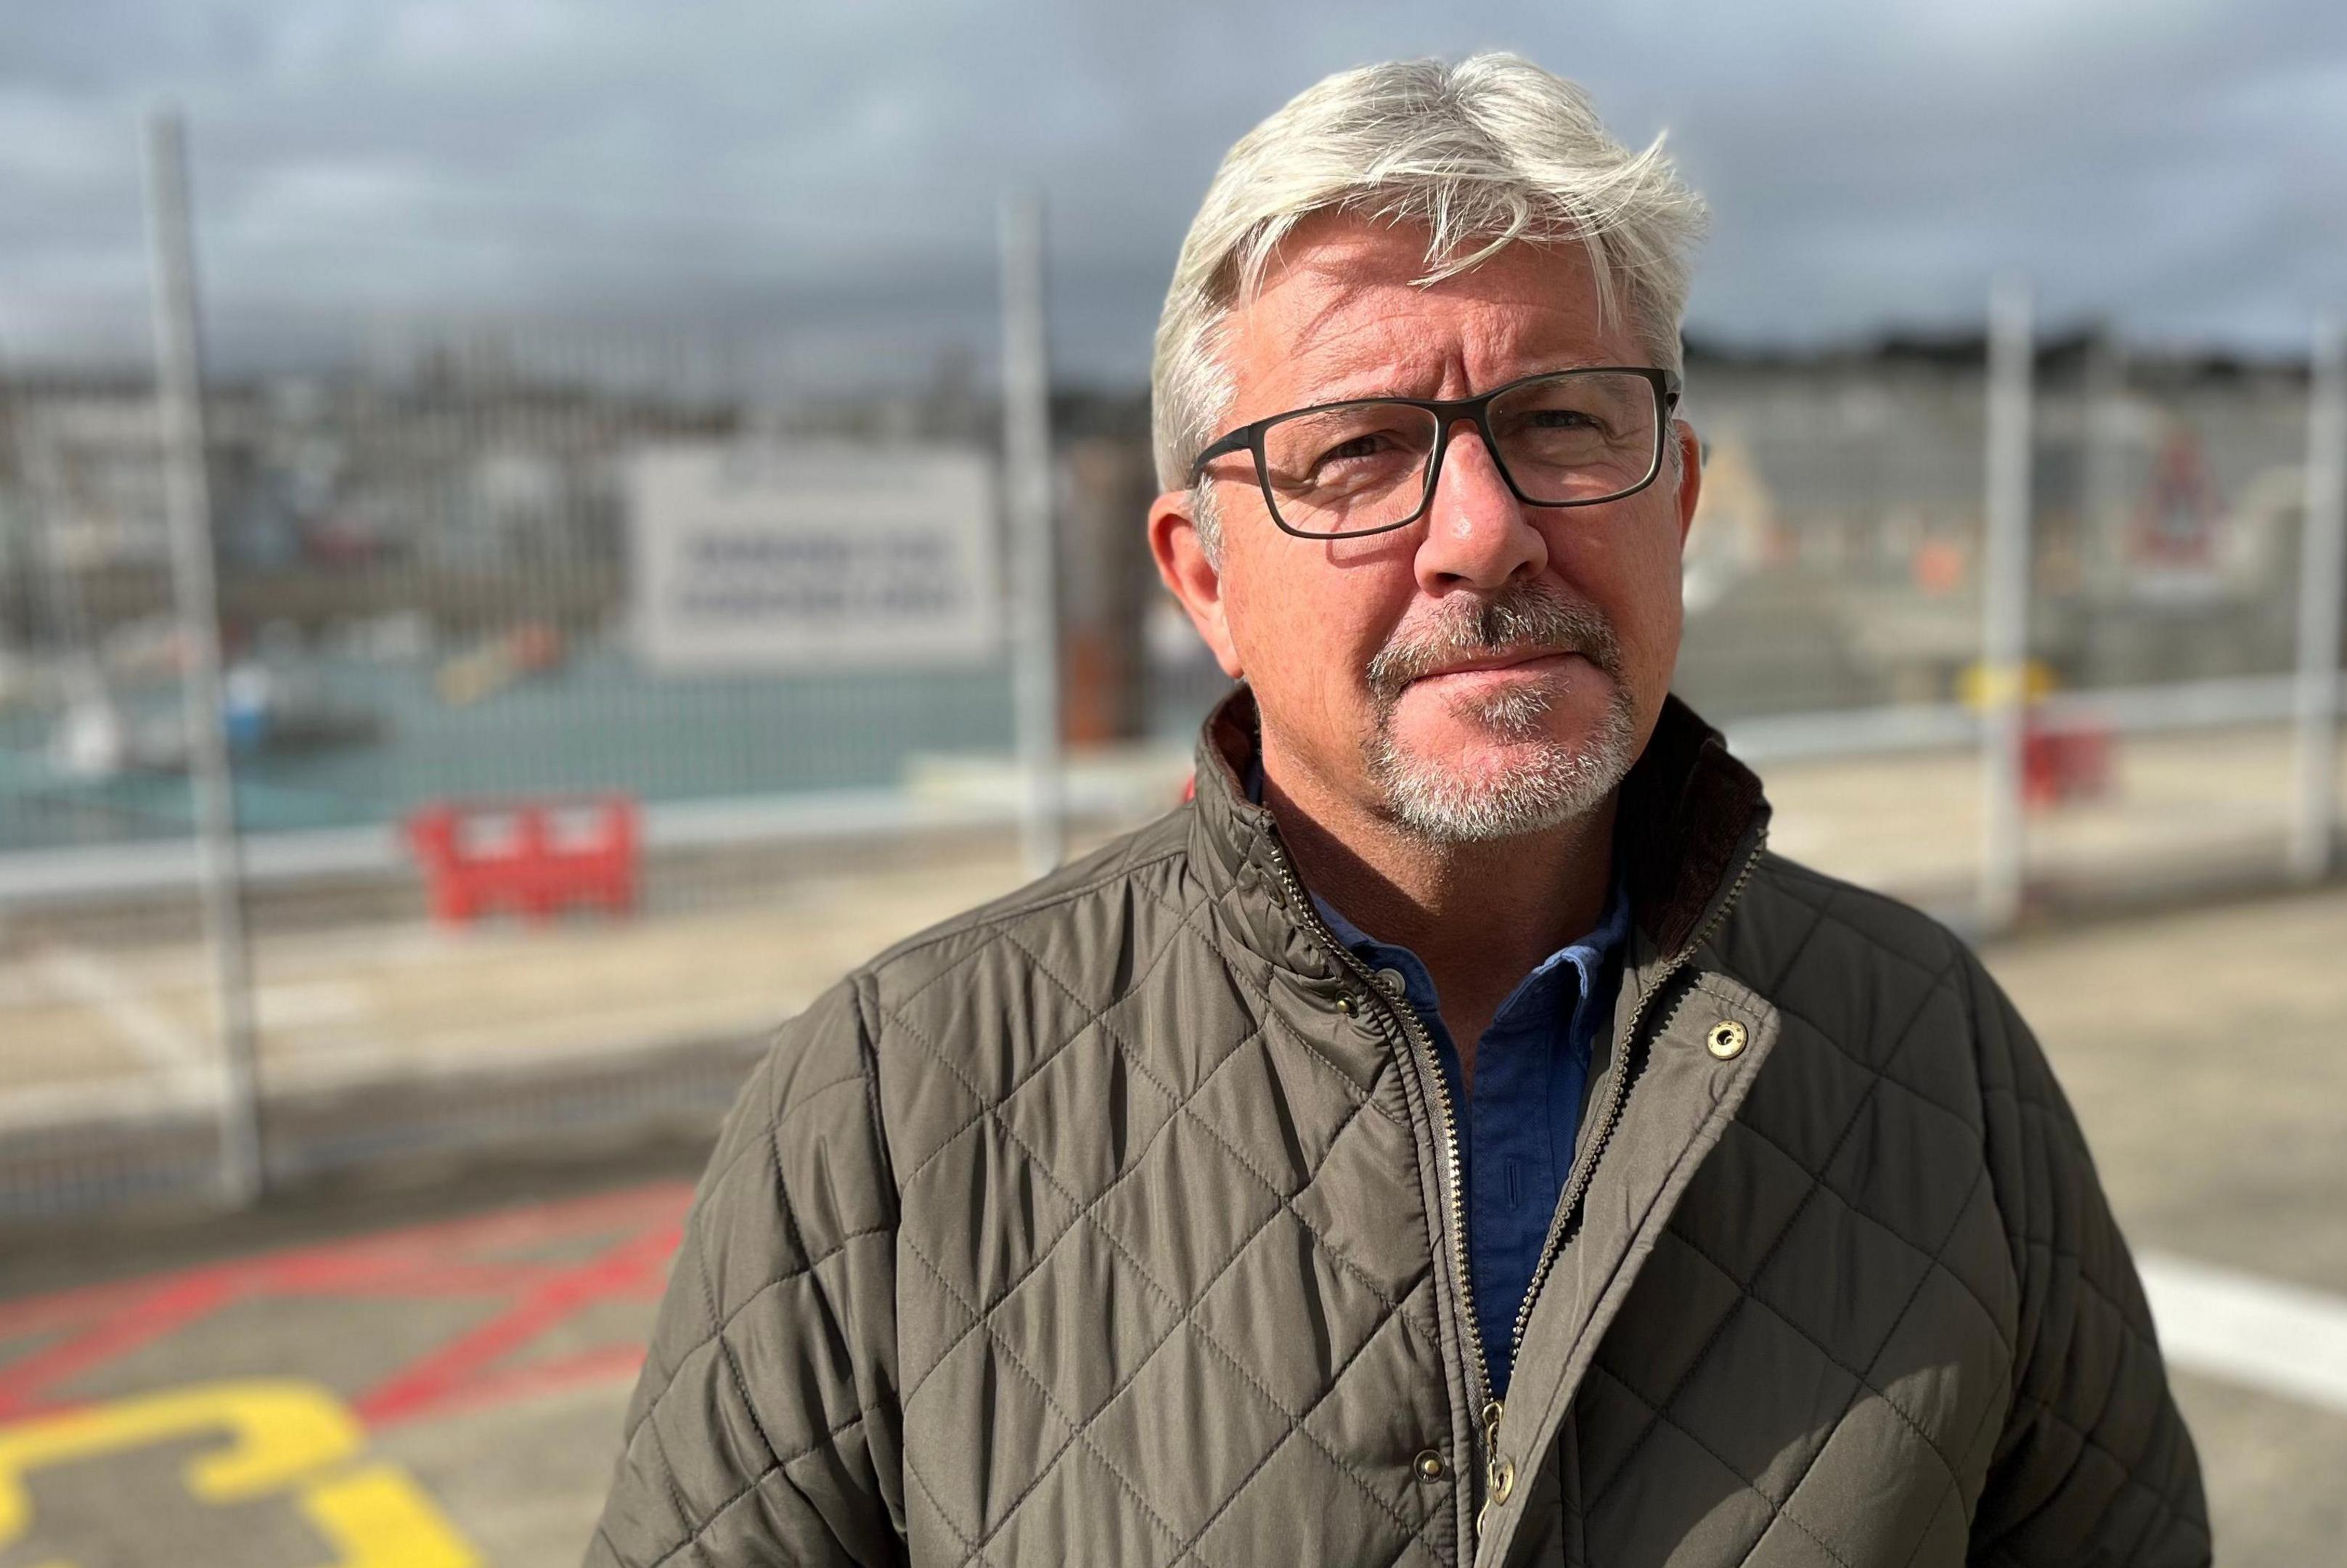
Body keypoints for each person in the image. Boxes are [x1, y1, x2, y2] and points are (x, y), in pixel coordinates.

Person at [589, 52, 2208, 1568]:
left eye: (1566, 422)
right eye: (1358, 452)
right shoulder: (885, 1102)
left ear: (1683, 501)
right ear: (1204, 576)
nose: (1486, 531)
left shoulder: (1932, 1048)